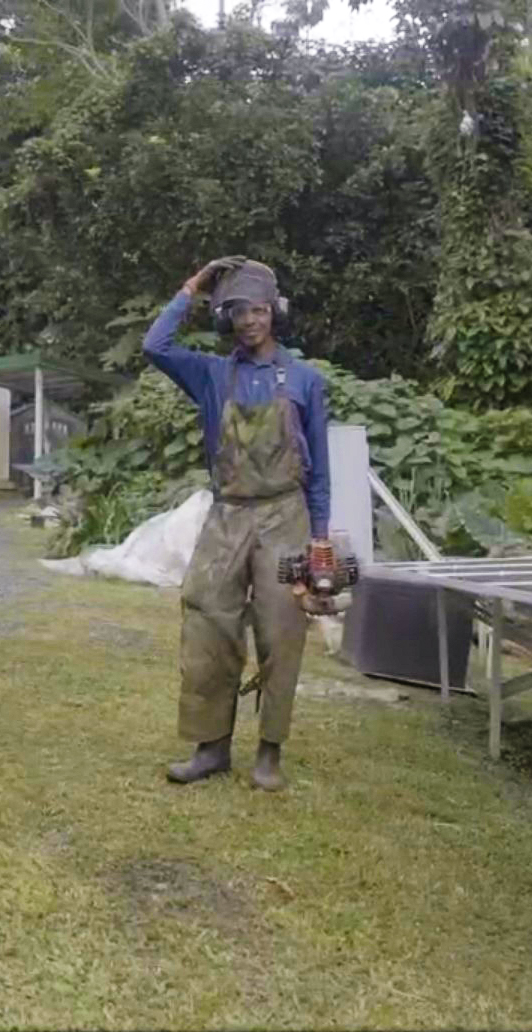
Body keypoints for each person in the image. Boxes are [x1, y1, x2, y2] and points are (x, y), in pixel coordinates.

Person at [142, 257, 335, 792]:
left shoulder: (305, 380)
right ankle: (211, 748)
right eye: (237, 312)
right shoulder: (210, 373)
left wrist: (319, 537)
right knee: (208, 620)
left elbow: (319, 465)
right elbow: (154, 346)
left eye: (258, 309)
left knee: (282, 628)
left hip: (286, 516)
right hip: (226, 514)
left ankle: (269, 752)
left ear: (274, 312)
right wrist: (193, 284)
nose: (250, 320)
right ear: (225, 319)